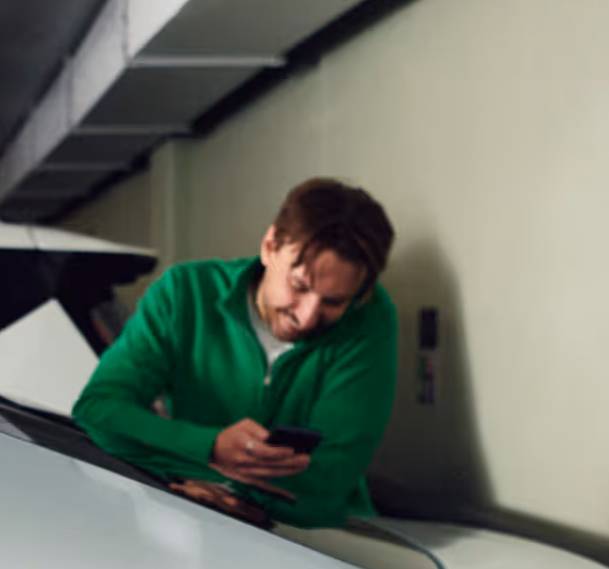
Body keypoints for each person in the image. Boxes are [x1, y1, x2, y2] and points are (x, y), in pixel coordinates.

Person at [74, 177, 396, 530]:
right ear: (270, 246)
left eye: (334, 302)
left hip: (311, 535)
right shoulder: (184, 293)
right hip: (197, 515)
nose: (306, 317)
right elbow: (98, 411)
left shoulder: (371, 318)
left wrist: (203, 474)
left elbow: (335, 472)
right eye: (299, 286)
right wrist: (210, 447)